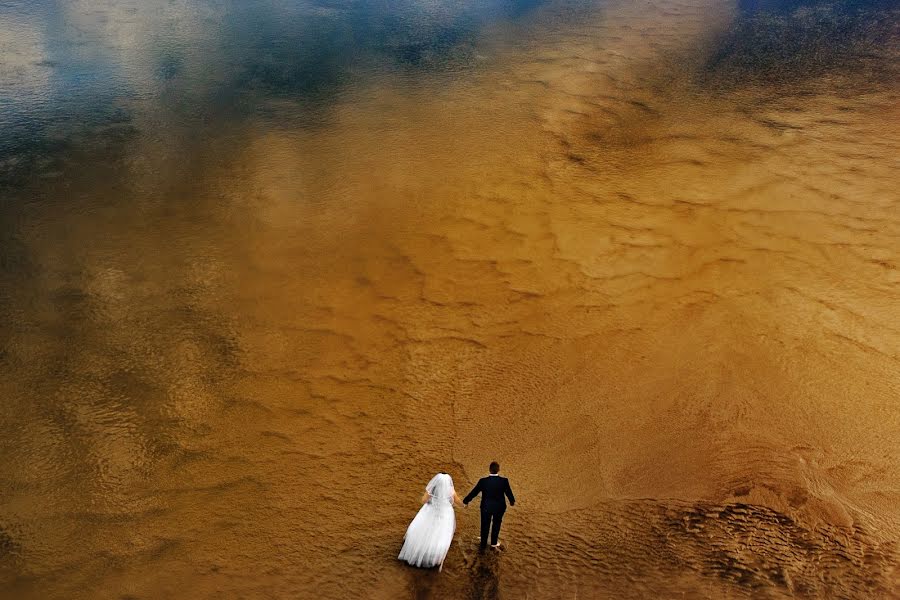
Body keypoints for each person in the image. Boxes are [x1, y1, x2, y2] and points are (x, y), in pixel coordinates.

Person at [398, 472, 463, 571]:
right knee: (440, 534)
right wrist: (464, 505)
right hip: (444, 513)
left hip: (430, 511)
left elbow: (424, 500)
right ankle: (434, 557)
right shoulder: (450, 490)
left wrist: (431, 501)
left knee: (423, 531)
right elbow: (457, 501)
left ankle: (416, 552)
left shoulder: (432, 488)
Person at [463, 461, 515, 551]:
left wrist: (466, 500)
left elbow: (474, 492)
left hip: (486, 507)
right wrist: (512, 501)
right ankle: (494, 544)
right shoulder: (504, 481)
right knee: (496, 524)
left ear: (489, 470)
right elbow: (508, 492)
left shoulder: (483, 481)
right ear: (498, 470)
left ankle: (483, 544)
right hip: (499, 507)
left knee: (485, 525)